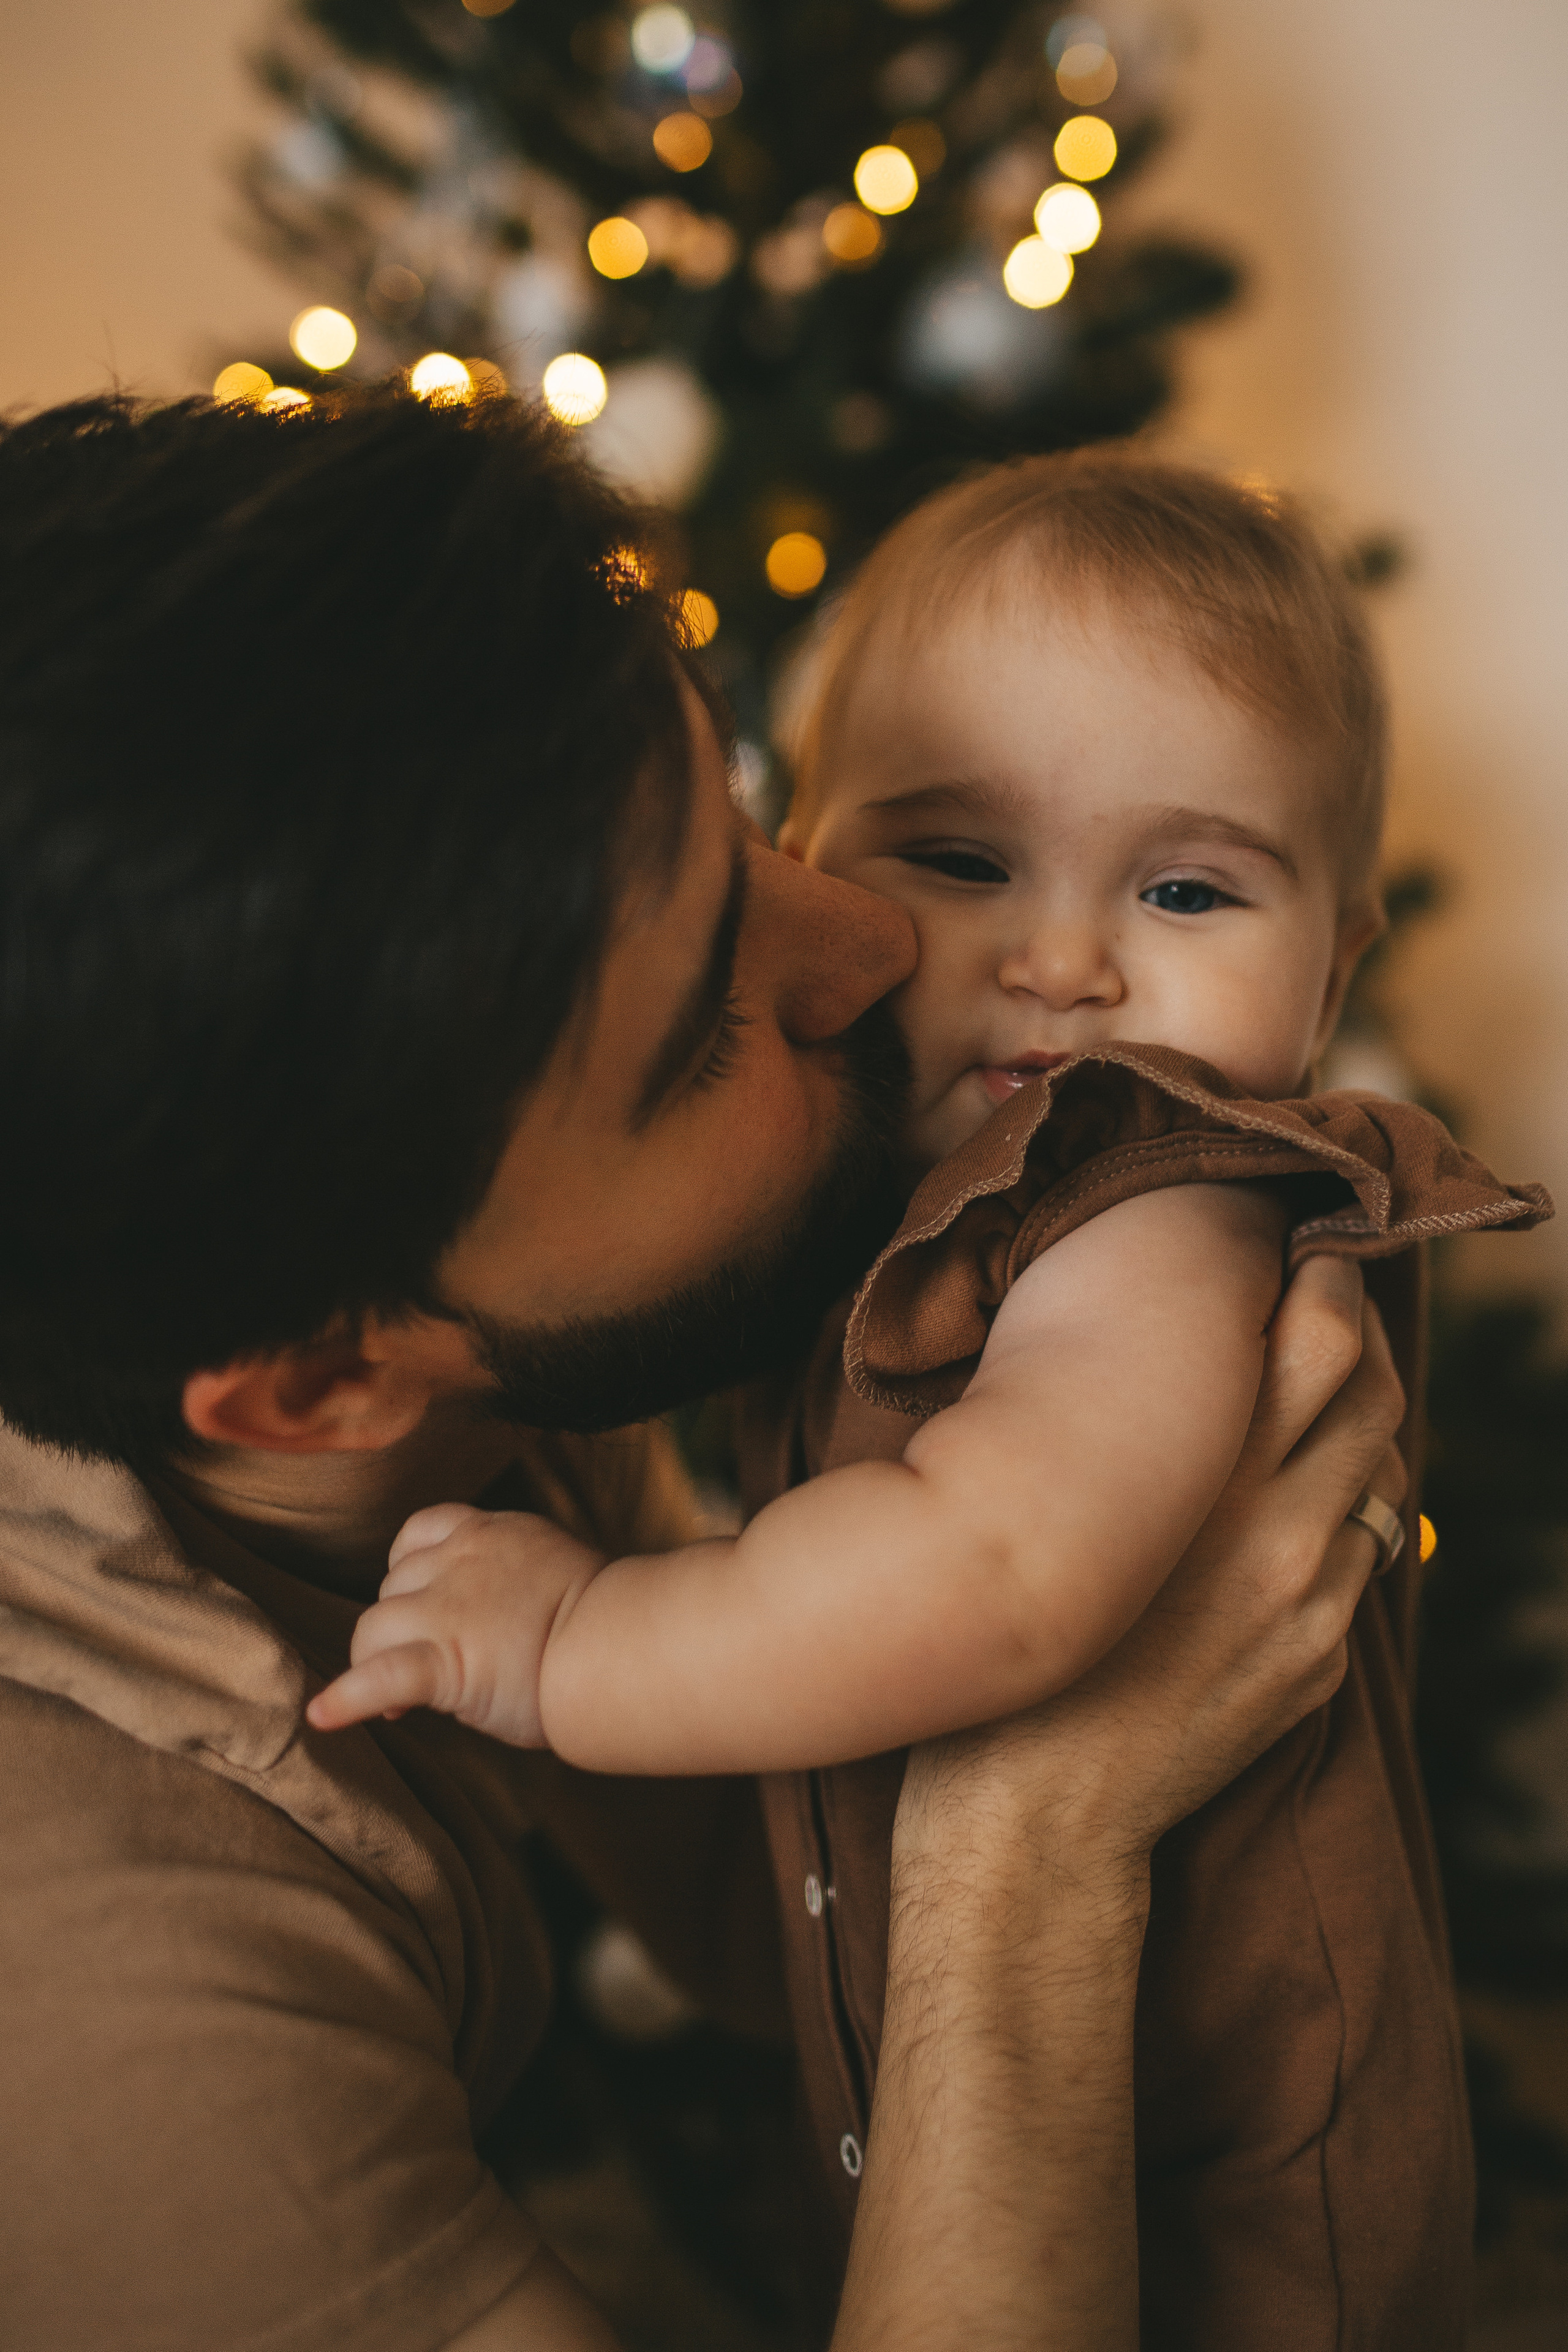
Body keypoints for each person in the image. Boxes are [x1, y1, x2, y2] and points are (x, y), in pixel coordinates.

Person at [0, 391, 1405, 2352]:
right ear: (323, 1383)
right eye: (698, 1040)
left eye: (744, 831)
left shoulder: (480, 1424)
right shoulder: (116, 2024)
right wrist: (1044, 1829)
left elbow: (778, 1923)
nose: (868, 948)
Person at [306, 453, 1550, 2346]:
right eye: (960, 862)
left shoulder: (1156, 1191)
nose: (1062, 963)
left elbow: (992, 1568)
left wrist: (573, 1640)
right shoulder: (899, 1186)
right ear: (799, 856)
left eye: (1190, 887)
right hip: (962, 2094)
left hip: (1228, 2205)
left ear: (1336, 961)